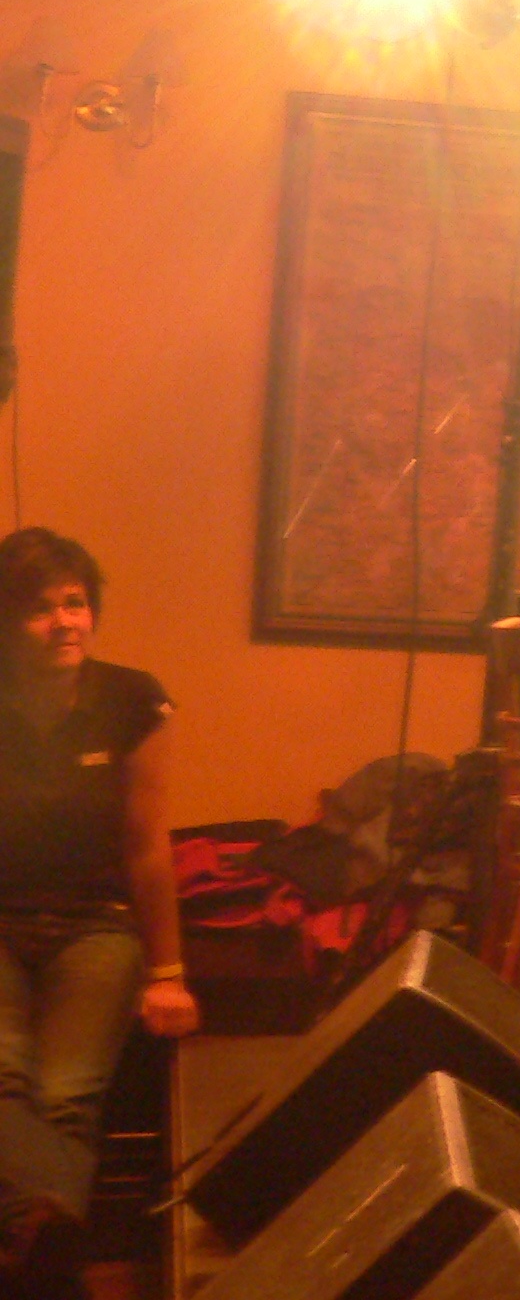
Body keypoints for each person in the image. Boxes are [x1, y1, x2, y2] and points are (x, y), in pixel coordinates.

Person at [0, 529, 200, 1290]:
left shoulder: (132, 699)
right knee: (3, 1078)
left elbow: (147, 845)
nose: (64, 623)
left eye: (75, 603)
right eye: (40, 609)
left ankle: (31, 1252)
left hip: (95, 927)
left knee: (65, 1094)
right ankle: (51, 1256)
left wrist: (168, 972)